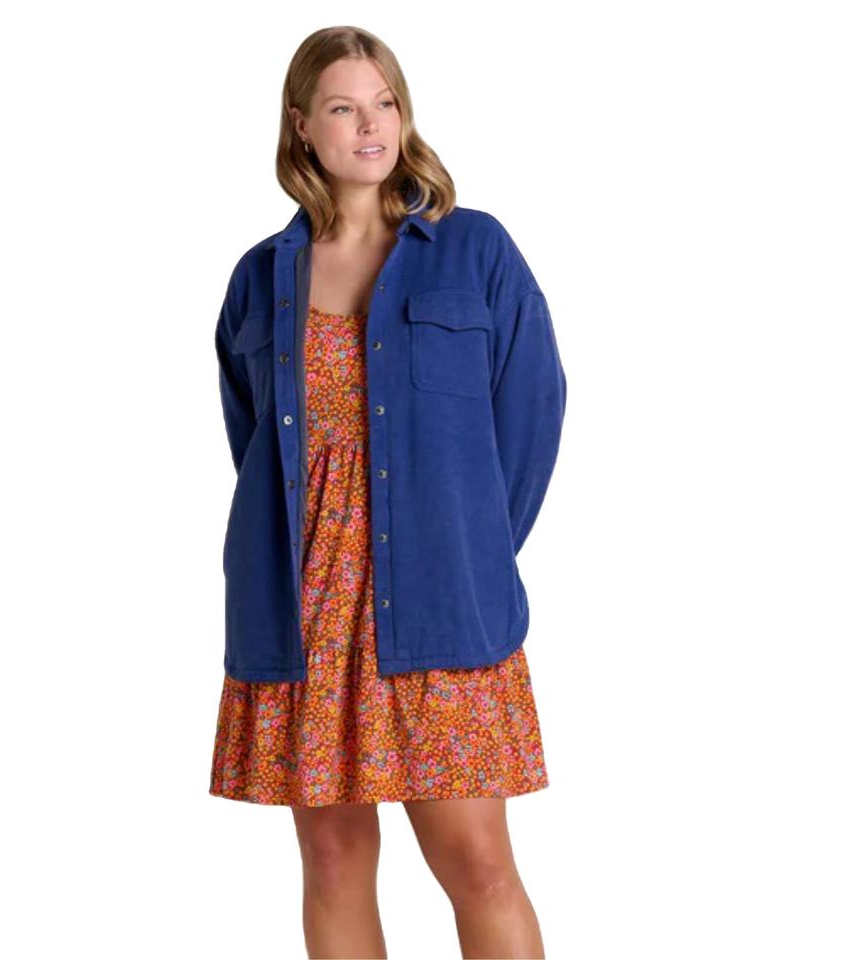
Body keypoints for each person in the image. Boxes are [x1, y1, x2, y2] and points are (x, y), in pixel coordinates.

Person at [209, 25, 567, 959]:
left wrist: (469, 546)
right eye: (343, 107)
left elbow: (531, 416)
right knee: (332, 860)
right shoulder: (259, 277)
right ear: (301, 125)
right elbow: (256, 445)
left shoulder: (476, 251)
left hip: (441, 610)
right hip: (308, 611)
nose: (370, 126)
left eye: (385, 104)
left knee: (477, 862)